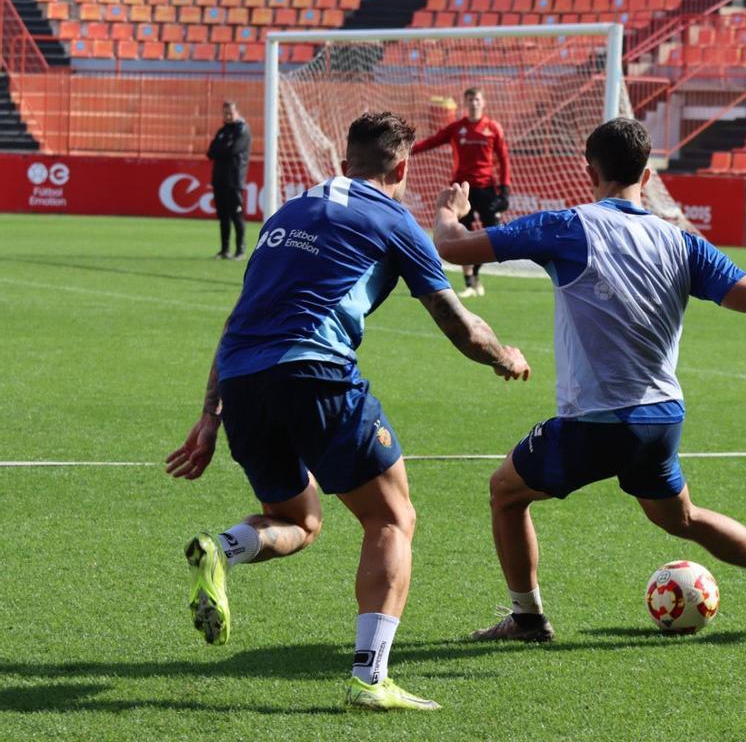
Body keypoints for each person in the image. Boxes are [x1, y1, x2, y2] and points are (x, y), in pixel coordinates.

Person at [433, 118, 746, 643]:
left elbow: (452, 248)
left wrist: (447, 213)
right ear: (647, 169)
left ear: (589, 170)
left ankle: (527, 619)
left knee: (506, 492)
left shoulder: (566, 227)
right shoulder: (683, 244)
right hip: (660, 418)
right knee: (680, 517)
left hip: (597, 420)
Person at [166, 111, 530, 710]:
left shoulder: (287, 212)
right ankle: (370, 678)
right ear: (404, 167)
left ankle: (221, 548)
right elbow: (457, 323)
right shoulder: (393, 219)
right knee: (392, 518)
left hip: (242, 380)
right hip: (315, 371)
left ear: (343, 161)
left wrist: (211, 416)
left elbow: (239, 318)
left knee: (299, 521)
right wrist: (502, 356)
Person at [411, 87, 511, 298]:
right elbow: (432, 141)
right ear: (465, 104)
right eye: (470, 100)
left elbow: (503, 160)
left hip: (487, 189)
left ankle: (475, 275)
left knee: (492, 235)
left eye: (477, 99)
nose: (474, 103)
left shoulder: (493, 128)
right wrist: (409, 149)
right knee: (461, 235)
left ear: (483, 103)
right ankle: (468, 284)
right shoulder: (456, 128)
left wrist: (505, 189)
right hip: (461, 191)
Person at [206, 100, 252, 260]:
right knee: (223, 216)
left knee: (236, 215)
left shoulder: (243, 130)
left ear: (237, 113)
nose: (227, 116)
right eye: (225, 113)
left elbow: (233, 150)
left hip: (234, 179)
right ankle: (224, 250)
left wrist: (221, 148)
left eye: (230, 113)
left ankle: (240, 250)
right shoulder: (222, 131)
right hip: (219, 179)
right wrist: (222, 148)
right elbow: (210, 152)